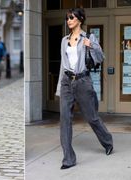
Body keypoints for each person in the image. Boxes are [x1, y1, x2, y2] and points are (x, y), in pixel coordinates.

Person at [55, 8, 113, 170]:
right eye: (67, 18)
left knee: (92, 117)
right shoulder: (63, 40)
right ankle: (68, 159)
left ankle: (107, 141)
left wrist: (92, 46)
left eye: (71, 18)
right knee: (65, 120)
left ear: (80, 20)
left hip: (83, 81)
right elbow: (62, 65)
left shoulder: (88, 37)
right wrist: (60, 87)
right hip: (67, 81)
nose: (69, 21)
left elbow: (101, 58)